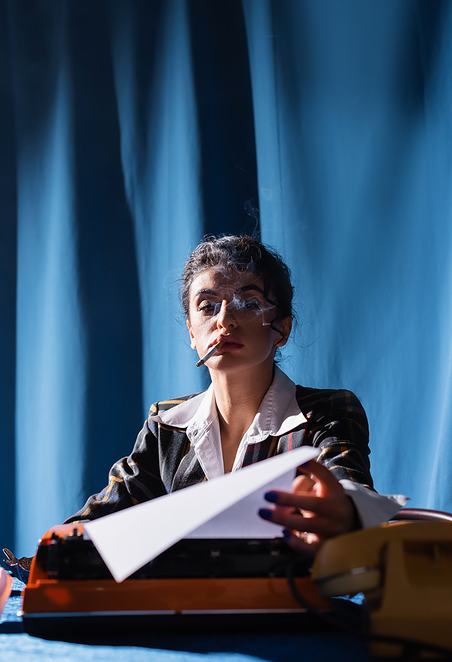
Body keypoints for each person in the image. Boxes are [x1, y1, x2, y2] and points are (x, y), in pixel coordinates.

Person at [65, 235, 404, 551]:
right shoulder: (165, 424)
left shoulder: (327, 411)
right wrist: (61, 546)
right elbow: (101, 516)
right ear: (192, 333)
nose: (225, 322)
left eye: (249, 303)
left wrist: (345, 512)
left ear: (282, 329)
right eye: (208, 306)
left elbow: (350, 487)